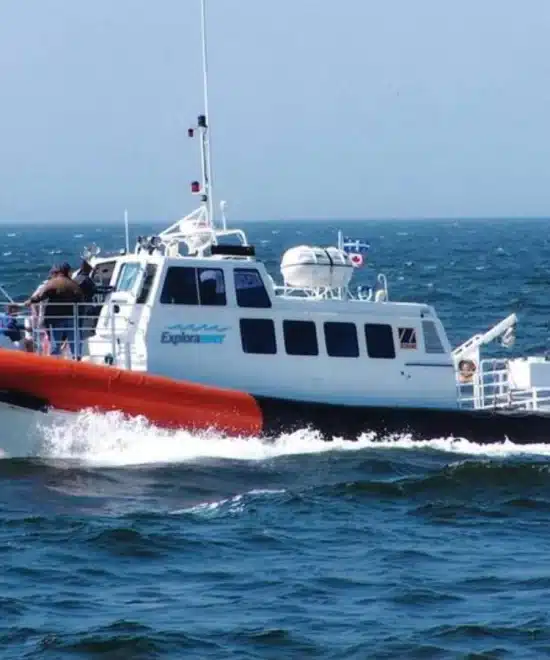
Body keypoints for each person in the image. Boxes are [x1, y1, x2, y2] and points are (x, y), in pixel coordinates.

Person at [20, 262, 83, 357]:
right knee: (74, 343)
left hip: (56, 319)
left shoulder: (53, 282)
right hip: (72, 318)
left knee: (55, 345)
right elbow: (80, 298)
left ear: (57, 272)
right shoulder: (73, 284)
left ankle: (55, 364)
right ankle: (78, 361)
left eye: (53, 273)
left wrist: (30, 301)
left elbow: (41, 295)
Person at [72, 259, 97, 358]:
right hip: (85, 306)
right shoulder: (86, 279)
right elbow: (94, 290)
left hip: (75, 307)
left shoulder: (76, 279)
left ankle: (76, 354)